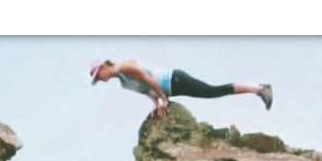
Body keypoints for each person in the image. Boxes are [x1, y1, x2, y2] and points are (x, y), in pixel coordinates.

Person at [90, 58, 272, 114]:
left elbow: (148, 79)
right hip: (171, 88)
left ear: (105, 66)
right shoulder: (123, 83)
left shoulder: (124, 67)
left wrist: (164, 100)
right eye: (98, 79)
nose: (101, 79)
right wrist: (156, 106)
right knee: (212, 92)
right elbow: (146, 90)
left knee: (212, 91)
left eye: (99, 75)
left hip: (174, 80)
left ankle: (259, 88)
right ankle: (258, 88)